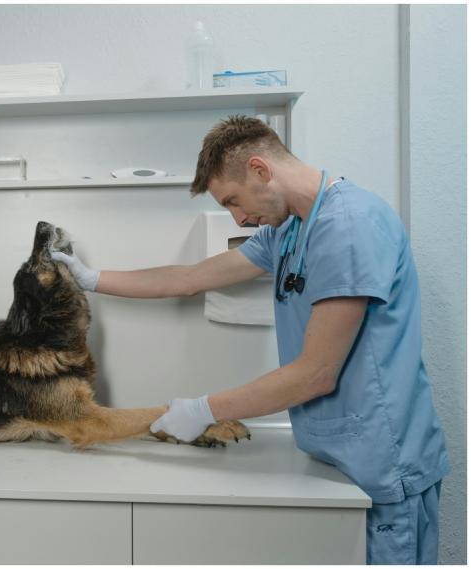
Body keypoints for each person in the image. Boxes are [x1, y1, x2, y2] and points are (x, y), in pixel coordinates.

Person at [51, 115, 449, 565]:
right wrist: (91, 278)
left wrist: (204, 410)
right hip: (336, 455)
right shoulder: (289, 229)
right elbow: (192, 277)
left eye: (233, 201)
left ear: (260, 170)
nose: (239, 218)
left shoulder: (349, 227)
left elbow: (316, 374)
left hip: (382, 461)